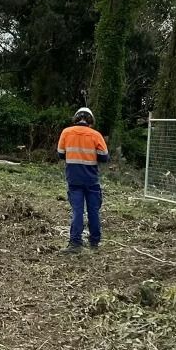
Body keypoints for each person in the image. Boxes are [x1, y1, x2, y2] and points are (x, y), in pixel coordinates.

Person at [57, 107, 110, 253]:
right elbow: (105, 157)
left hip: (74, 179)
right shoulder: (96, 135)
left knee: (77, 211)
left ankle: (75, 244)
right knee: (93, 211)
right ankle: (94, 242)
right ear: (90, 121)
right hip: (91, 180)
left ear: (75, 119)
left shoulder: (66, 132)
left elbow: (61, 154)